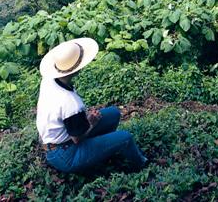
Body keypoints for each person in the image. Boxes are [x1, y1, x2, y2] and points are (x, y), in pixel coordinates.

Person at [36, 37, 148, 173]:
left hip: (57, 139)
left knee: (113, 113)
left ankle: (104, 148)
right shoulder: (70, 102)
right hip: (65, 155)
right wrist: (91, 124)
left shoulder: (49, 79)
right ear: (75, 70)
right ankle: (142, 166)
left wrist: (85, 122)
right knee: (126, 138)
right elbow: (77, 139)